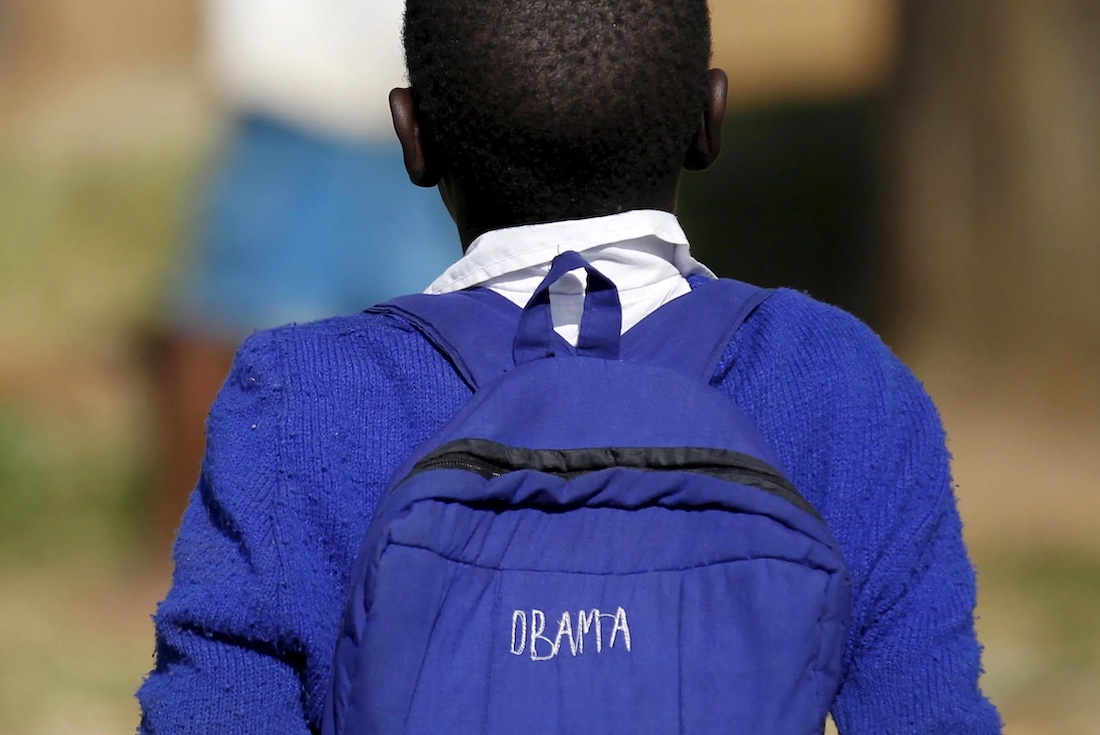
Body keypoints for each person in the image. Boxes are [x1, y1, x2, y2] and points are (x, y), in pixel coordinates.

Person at [137, 0, 1002, 732]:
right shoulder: (839, 381)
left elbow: (211, 709)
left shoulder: (298, 398)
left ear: (413, 136)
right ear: (709, 121)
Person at [150, 0, 457, 550]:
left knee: (448, 346)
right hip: (293, 96)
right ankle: (176, 553)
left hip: (414, 99)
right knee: (221, 332)